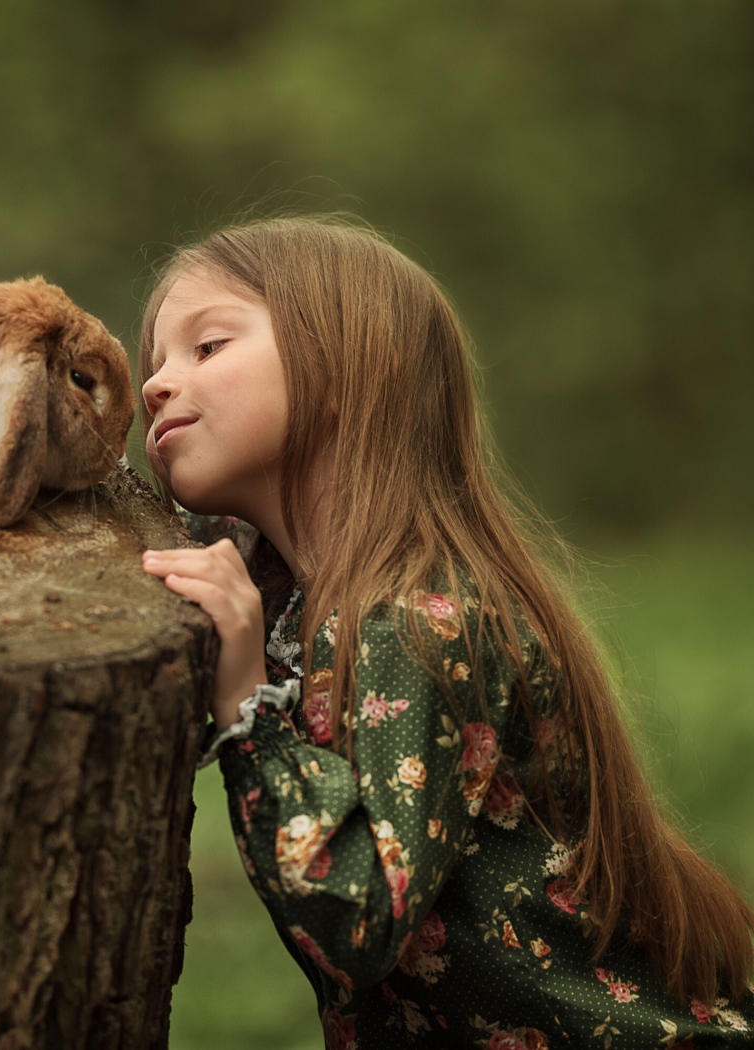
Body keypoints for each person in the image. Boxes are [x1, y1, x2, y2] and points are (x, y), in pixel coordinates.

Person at [138, 216, 754, 1047]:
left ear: (353, 365)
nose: (156, 385)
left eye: (206, 347)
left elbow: (356, 917)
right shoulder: (315, 611)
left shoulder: (415, 622)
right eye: (155, 364)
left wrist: (249, 710)